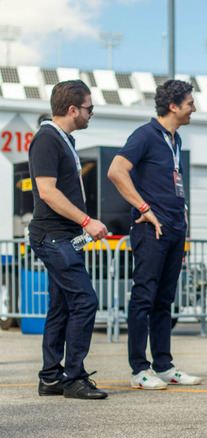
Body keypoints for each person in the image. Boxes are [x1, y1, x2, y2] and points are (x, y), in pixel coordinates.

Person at [107, 80, 201, 389]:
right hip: (150, 229)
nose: (194, 108)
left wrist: (183, 219)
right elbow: (116, 170)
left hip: (175, 229)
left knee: (165, 300)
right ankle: (139, 369)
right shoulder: (145, 135)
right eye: (190, 103)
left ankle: (164, 365)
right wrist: (143, 207)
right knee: (144, 297)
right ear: (173, 106)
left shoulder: (176, 140)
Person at [28, 80, 108, 399]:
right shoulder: (47, 139)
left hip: (64, 236)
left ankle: (50, 377)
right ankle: (74, 377)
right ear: (73, 109)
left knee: (61, 305)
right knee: (85, 300)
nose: (92, 114)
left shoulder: (65, 140)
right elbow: (47, 191)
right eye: (89, 108)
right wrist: (86, 221)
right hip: (53, 236)